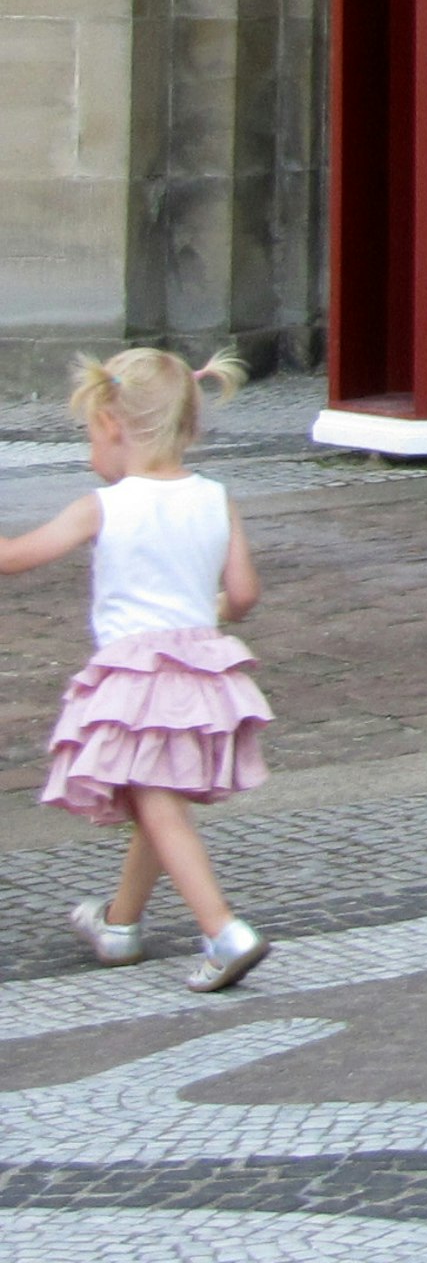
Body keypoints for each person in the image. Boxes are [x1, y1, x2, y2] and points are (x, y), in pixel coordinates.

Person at [0, 348, 274, 990]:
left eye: (88, 435)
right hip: (204, 675)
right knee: (161, 800)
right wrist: (207, 612)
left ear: (112, 427)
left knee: (158, 805)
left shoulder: (106, 505)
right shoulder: (216, 498)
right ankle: (119, 925)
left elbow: (15, 557)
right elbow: (243, 594)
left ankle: (224, 929)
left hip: (135, 681)